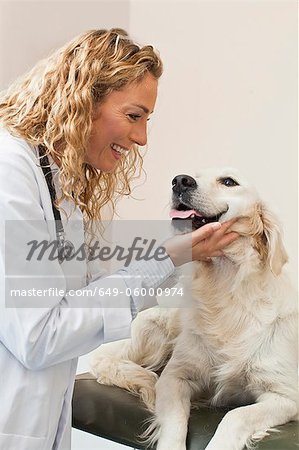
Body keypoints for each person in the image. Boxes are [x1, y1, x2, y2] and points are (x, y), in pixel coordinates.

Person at [0, 28, 238, 450]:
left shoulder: (56, 182)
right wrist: (167, 259)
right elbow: (40, 336)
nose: (143, 137)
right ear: (84, 99)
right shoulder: (9, 172)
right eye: (134, 115)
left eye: (147, 119)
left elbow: (79, 303)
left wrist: (175, 256)